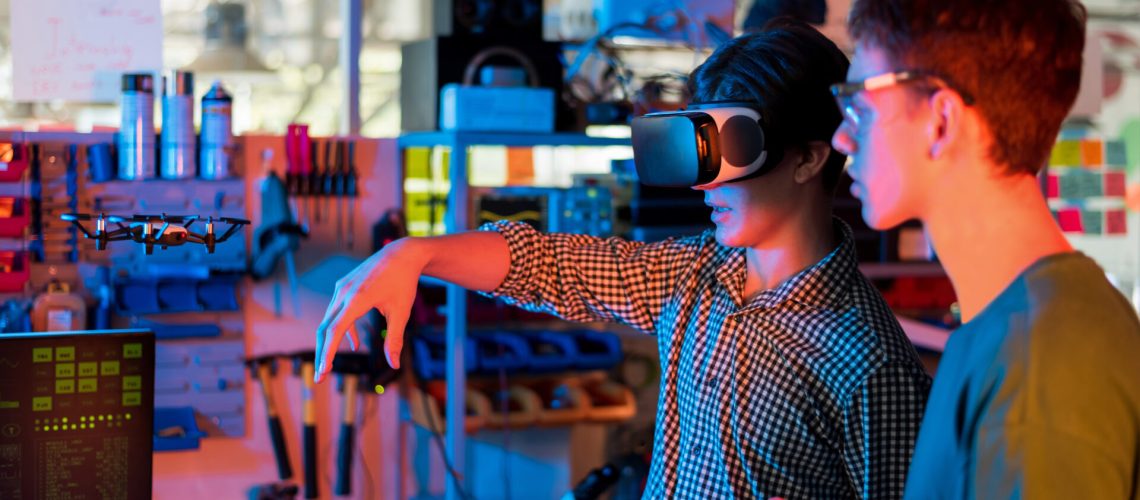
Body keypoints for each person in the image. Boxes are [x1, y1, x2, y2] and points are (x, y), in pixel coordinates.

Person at [317, 20, 931, 498]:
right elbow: (550, 266)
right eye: (699, 157)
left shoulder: (868, 362)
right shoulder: (694, 275)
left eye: (730, 157)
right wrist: (415, 253)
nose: (704, 186)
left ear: (808, 158)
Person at [831, 1, 1140, 497]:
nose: (842, 137)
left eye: (859, 104)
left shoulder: (1042, 358)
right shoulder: (1009, 327)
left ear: (941, 121)